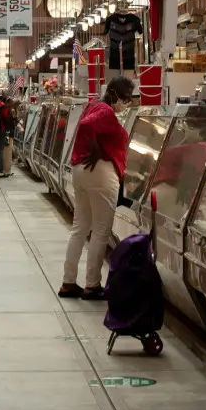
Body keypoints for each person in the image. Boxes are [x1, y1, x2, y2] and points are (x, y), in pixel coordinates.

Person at [59, 75, 134, 301]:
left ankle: (68, 282)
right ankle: (92, 285)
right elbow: (85, 125)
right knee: (101, 230)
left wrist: (92, 147)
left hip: (81, 171)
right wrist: (95, 149)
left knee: (80, 227)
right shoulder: (106, 111)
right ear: (113, 94)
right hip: (100, 173)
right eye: (125, 98)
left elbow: (84, 124)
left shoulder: (92, 104)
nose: (127, 103)